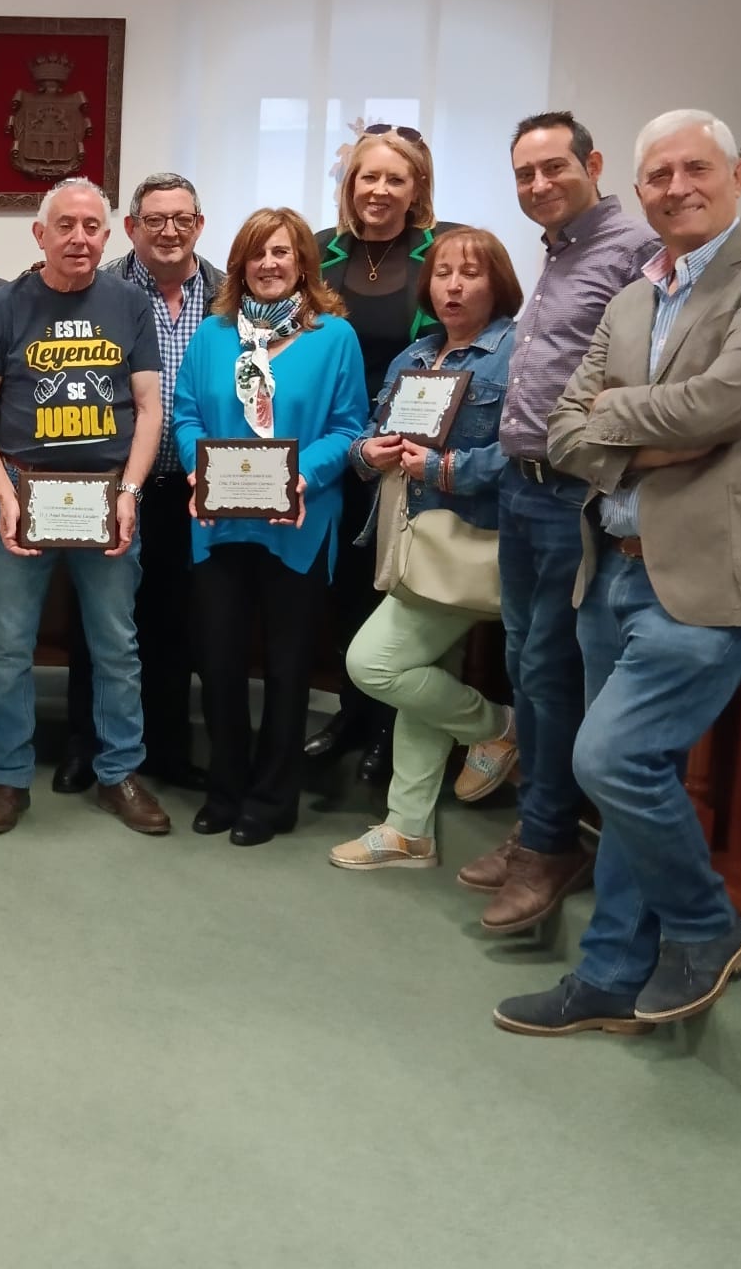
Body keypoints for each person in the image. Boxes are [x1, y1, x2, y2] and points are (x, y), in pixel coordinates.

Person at [497, 109, 741, 1036]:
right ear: (639, 188)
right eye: (660, 175)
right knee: (623, 777)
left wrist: (629, 421)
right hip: (609, 564)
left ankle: (704, 924)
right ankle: (610, 971)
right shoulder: (633, 296)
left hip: (716, 573)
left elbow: (725, 403)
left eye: (697, 169)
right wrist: (647, 437)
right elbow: (565, 430)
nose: (677, 187)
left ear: (738, 177)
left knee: (610, 757)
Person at [463, 112, 654, 930]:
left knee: (548, 671)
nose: (537, 185)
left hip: (573, 497)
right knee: (522, 663)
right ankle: (537, 823)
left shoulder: (632, 253)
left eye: (552, 168)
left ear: (593, 164)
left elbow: (642, 376)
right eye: (524, 175)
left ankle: (549, 845)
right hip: (520, 486)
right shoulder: (560, 252)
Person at [0, 176, 170, 838]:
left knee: (116, 647)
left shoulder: (129, 304)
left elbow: (148, 408)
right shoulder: (3, 306)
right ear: (40, 234)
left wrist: (132, 492)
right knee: (7, 651)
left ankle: (119, 774)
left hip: (107, 498)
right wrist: (3, 495)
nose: (80, 238)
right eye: (66, 226)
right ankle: (9, 776)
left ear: (108, 235)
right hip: (22, 496)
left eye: (92, 226)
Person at [328, 228, 520, 870]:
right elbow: (372, 434)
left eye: (470, 273)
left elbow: (528, 450)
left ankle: (496, 727)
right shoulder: (420, 352)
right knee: (419, 676)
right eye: (442, 274)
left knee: (374, 663)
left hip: (470, 542)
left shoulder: (515, 352)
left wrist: (446, 469)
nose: (454, 286)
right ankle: (409, 828)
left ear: (497, 282)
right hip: (408, 539)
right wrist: (366, 453)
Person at [173, 208, 366, 845]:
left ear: (305, 263)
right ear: (240, 265)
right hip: (219, 525)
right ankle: (226, 788)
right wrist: (197, 469)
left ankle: (273, 796)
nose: (270, 264)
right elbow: (185, 416)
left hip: (298, 524)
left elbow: (348, 428)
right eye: (257, 253)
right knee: (219, 661)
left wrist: (300, 476)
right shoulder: (212, 336)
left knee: (288, 668)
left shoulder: (334, 337)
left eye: (282, 252)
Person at [308, 128, 463, 788]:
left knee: (403, 594)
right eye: (367, 178)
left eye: (395, 180)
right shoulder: (319, 252)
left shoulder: (445, 250)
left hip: (415, 451)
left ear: (417, 189)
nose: (380, 190)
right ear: (350, 186)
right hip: (342, 447)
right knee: (344, 591)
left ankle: (389, 733)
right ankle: (351, 712)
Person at [64, 171, 226, 792]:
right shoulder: (99, 291)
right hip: (114, 482)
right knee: (97, 619)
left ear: (199, 225)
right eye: (154, 219)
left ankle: (166, 747)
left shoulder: (225, 297)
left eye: (182, 218)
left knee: (173, 621)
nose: (169, 230)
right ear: (129, 228)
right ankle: (85, 743)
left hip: (192, 489)